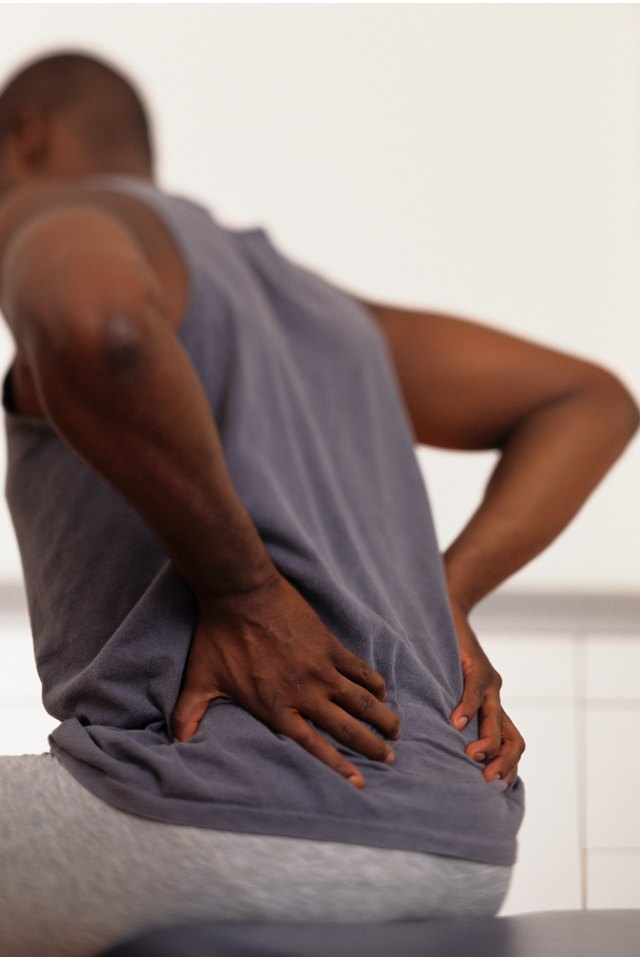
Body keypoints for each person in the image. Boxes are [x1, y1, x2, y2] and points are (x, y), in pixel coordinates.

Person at [0, 51, 636, 956]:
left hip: (215, 820)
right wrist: (444, 593)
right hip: (463, 846)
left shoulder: (57, 209)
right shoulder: (321, 311)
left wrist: (244, 592)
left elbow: (96, 329)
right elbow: (591, 401)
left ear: (26, 134)